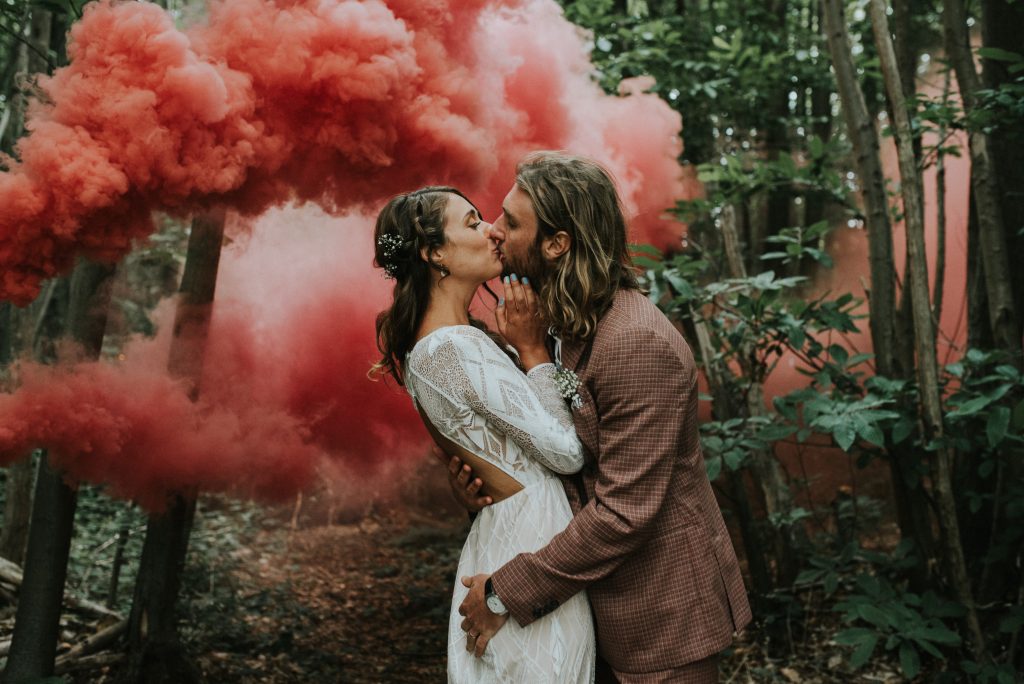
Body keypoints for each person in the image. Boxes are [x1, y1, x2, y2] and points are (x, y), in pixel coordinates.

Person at [450, 152, 753, 683]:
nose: (494, 232)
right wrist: (485, 485)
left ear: (556, 243)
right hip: (595, 611)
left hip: (660, 620)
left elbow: (624, 513)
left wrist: (503, 593)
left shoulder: (636, 343)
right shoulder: (563, 322)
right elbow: (559, 454)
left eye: (511, 221)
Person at [371, 186, 596, 683]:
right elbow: (565, 454)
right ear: (435, 254)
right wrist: (535, 352)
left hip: (508, 532)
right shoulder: (453, 348)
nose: (492, 231)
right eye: (472, 224)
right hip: (529, 537)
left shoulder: (433, 347)